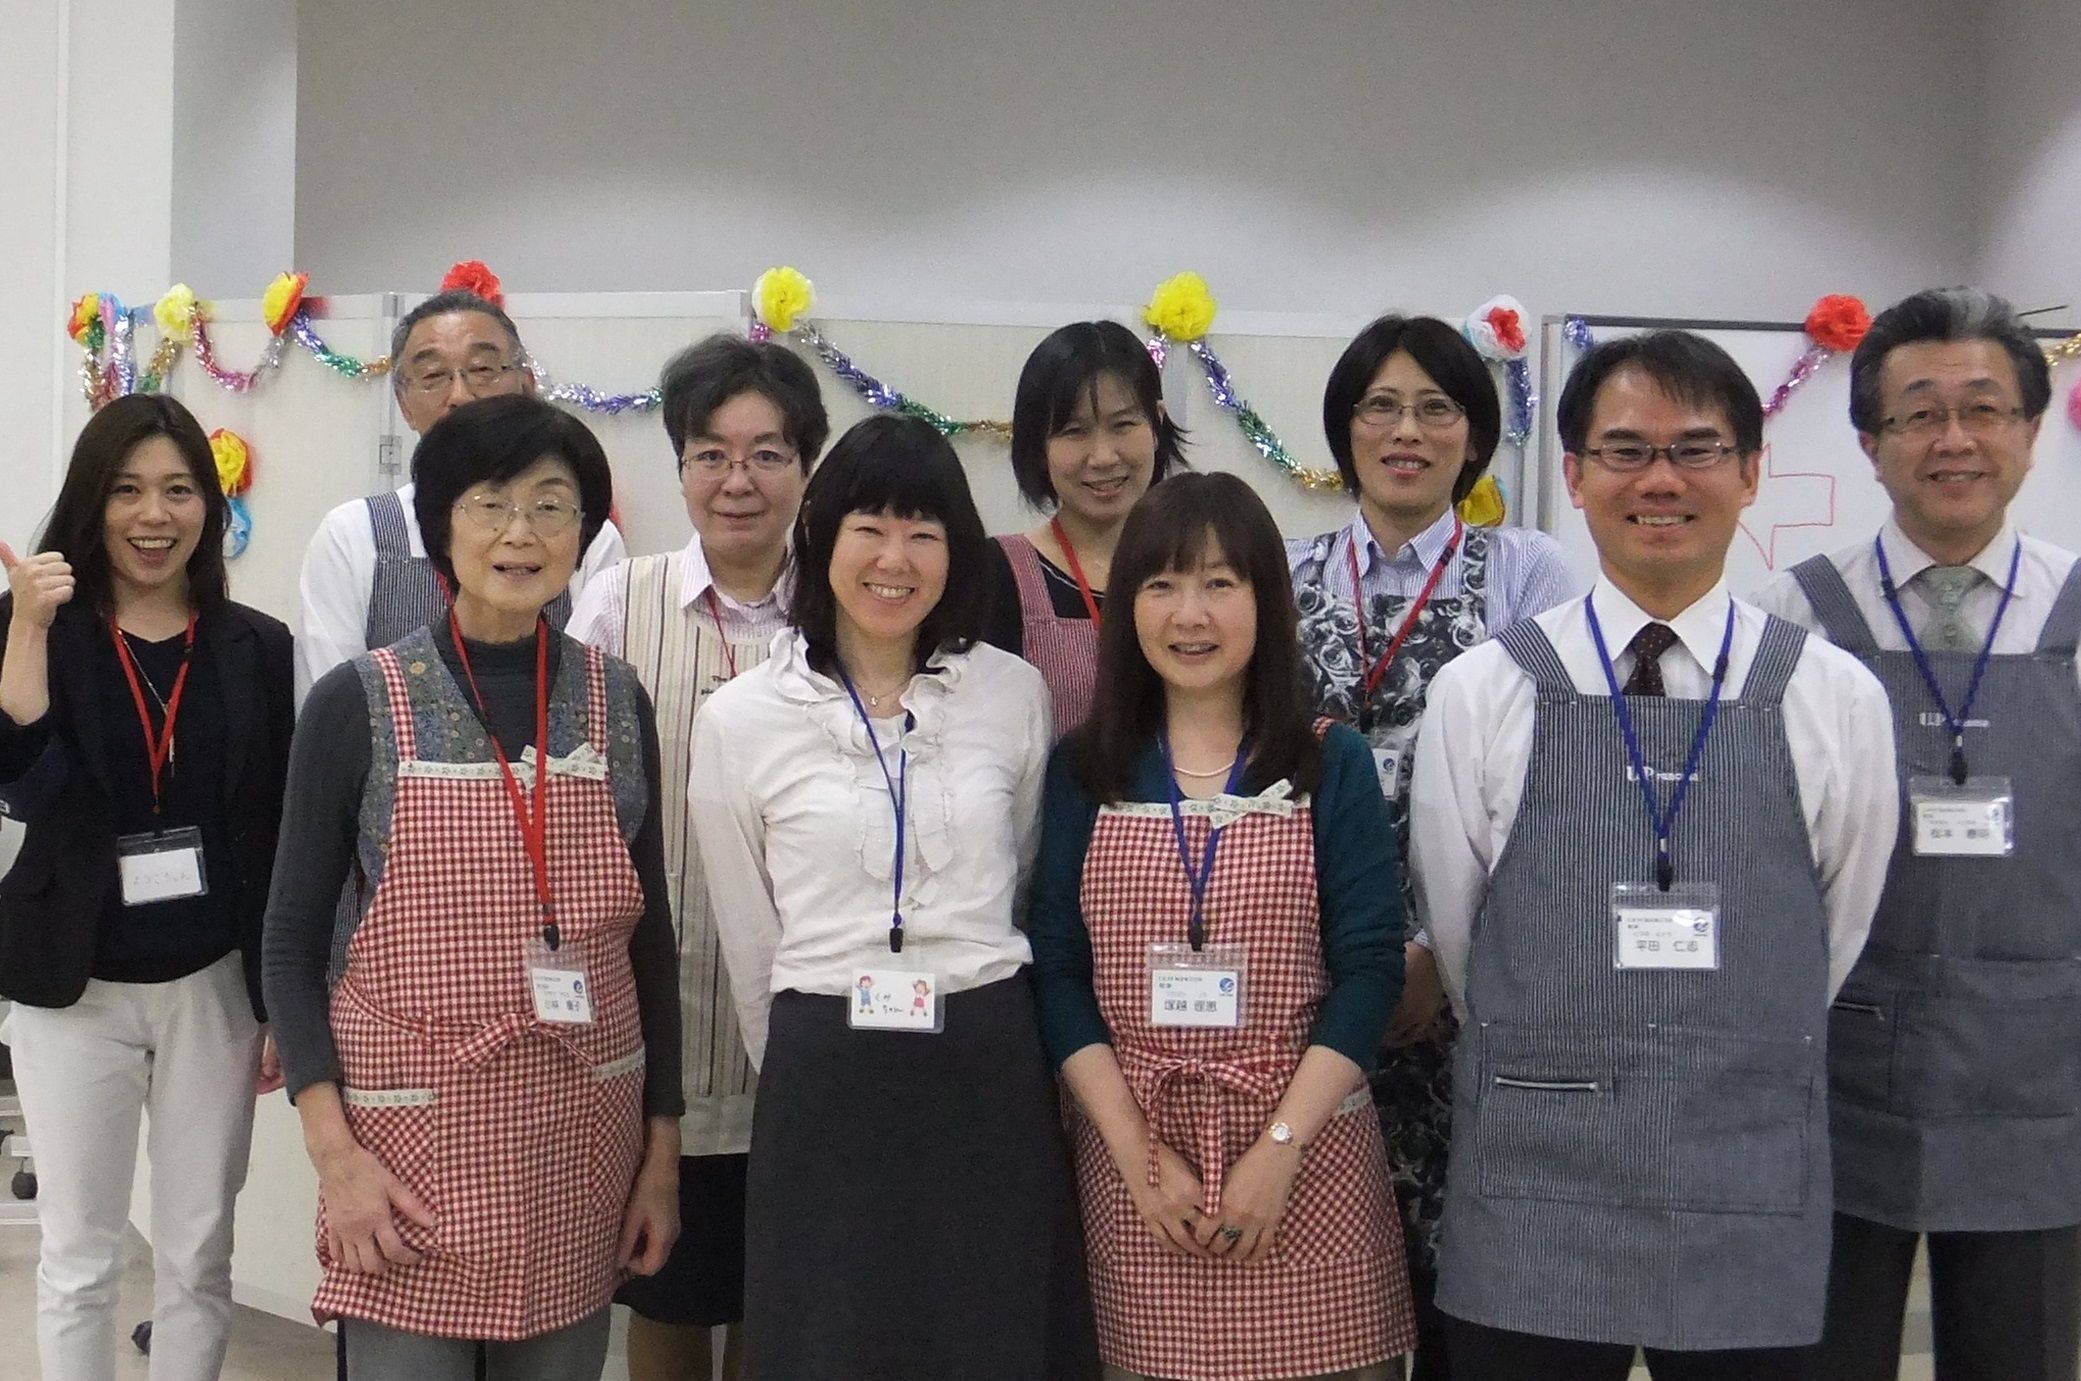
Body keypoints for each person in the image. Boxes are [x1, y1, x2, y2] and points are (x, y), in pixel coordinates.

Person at [1408, 331, 1899, 1379]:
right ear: (1574, 475)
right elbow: (1459, 934)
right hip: (1537, 1173)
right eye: (1625, 450)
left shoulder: (1834, 697)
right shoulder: (1482, 691)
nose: (1660, 479)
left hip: (1743, 1170)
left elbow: (1835, 923)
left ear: (1749, 472)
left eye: (1695, 448)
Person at [263, 395, 682, 1381]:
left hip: (579, 1142)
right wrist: (334, 1156)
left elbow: (649, 939)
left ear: (583, 531)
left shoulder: (617, 700)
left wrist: (660, 1154)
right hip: (404, 1153)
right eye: (491, 503)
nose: (520, 533)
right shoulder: (359, 700)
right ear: (441, 528)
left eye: (551, 505)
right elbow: (288, 942)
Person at [690, 414, 1099, 1381]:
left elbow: (1021, 873)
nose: (894, 558)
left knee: (985, 1335)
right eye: (868, 527)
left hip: (985, 1064)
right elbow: (749, 936)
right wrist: (808, 1058)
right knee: (830, 1341)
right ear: (819, 536)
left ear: (956, 553)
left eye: (923, 531)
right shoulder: (741, 717)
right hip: (824, 1072)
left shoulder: (1012, 692)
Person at [1752, 288, 2081, 1381]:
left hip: (2040, 1075)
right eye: (1919, 414)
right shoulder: (1793, 616)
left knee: (2020, 1354)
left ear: (2028, 430)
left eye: (1982, 408)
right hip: (1834, 1065)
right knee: (1819, 1355)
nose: (1953, 439)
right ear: (1869, 442)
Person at [1031, 471, 1415, 1381]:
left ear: (1265, 600)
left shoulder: (1328, 760)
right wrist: (1138, 1154)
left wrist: (1277, 1152)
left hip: (1307, 1162)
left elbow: (1370, 969)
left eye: (1218, 583)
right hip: (1140, 1174)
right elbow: (1057, 969)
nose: (1189, 614)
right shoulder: (1086, 766)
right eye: (1161, 584)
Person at [1287, 313, 1574, 1379]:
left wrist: (1435, 954)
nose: (1405, 431)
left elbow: (1553, 781)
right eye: (1379, 407)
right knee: (1329, 1284)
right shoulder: (1280, 571)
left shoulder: (1527, 572)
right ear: (1344, 429)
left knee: (1467, 1280)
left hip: (1476, 969)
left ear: (1473, 434)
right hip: (1314, 967)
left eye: (1434, 407)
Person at [0, 393, 294, 1381]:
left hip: (211, 981)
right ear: (94, 503)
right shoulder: (41, 625)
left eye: (177, 489)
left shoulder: (258, 645)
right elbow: (21, 782)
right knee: (80, 1253)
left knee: (198, 1250)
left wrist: (280, 998)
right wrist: (27, 626)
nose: (153, 514)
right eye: (126, 490)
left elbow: (272, 823)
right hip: (73, 985)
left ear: (209, 505)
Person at [566, 332, 828, 1381]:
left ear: (805, 466)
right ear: (678, 465)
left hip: (802, 1013)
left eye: (767, 454)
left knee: (781, 1290)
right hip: (656, 1012)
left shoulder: (844, 604)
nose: (737, 480)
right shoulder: (617, 600)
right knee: (663, 1282)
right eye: (710, 454)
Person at [295, 284, 627, 699]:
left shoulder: (587, 536)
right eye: (433, 376)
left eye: (483, 369)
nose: (460, 395)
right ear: (403, 403)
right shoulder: (353, 534)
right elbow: (332, 706)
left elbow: (596, 696)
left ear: (525, 385)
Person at [983, 320, 1185, 736]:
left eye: (1123, 425)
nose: (1103, 456)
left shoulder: (1199, 566)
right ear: (1038, 446)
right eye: (1074, 432)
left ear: (1157, 423)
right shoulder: (995, 575)